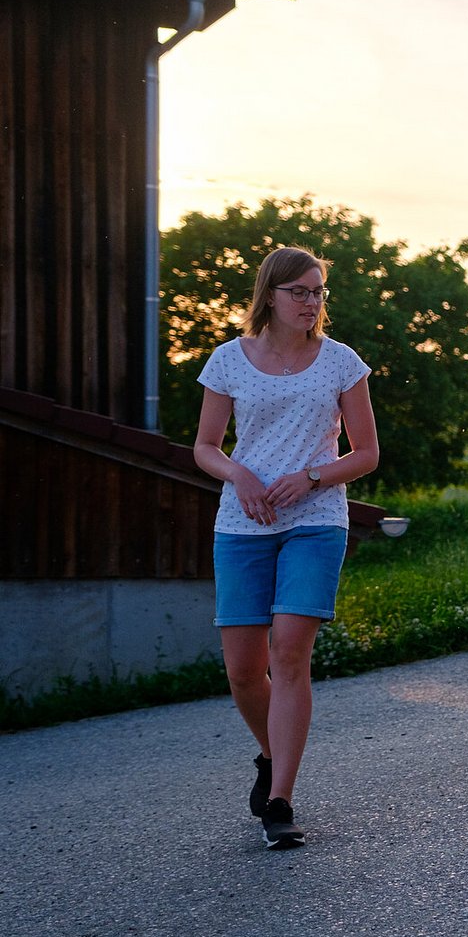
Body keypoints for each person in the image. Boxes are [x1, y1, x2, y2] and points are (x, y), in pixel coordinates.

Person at [194, 245, 379, 850]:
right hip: (242, 523)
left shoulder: (341, 362)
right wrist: (240, 476)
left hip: (316, 522)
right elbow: (206, 447)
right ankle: (271, 754)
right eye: (299, 291)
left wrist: (313, 477)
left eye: (318, 291)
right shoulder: (228, 360)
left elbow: (366, 454)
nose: (310, 301)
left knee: (289, 654)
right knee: (244, 671)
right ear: (269, 295)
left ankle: (280, 802)